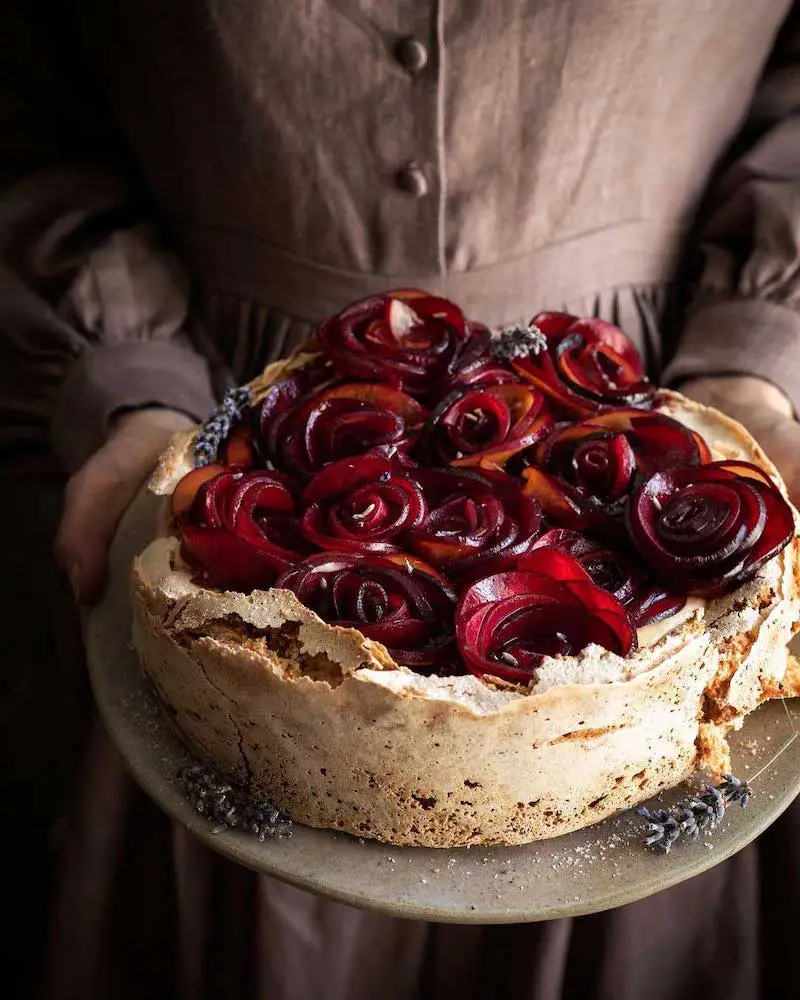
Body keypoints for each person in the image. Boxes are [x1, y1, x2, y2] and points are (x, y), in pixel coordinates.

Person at [2, 2, 800, 998]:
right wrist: (127, 375)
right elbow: (29, 95)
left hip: (644, 402)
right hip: (230, 411)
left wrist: (758, 357)